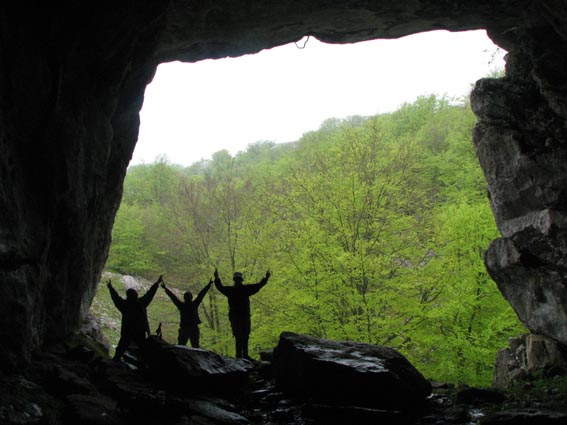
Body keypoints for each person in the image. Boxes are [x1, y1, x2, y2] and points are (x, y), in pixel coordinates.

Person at [214, 268, 271, 360]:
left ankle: (240, 355)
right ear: (241, 280)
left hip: (236, 316)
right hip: (242, 316)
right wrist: (266, 278)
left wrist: (216, 277)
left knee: (240, 335)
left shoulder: (230, 290)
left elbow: (220, 287)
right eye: (237, 280)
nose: (237, 281)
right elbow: (258, 286)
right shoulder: (245, 289)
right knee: (243, 335)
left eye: (237, 280)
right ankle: (242, 355)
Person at [107, 275, 162, 361]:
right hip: (140, 330)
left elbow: (116, 298)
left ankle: (115, 360)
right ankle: (145, 364)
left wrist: (111, 288)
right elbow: (150, 294)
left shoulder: (124, 305)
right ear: (136, 295)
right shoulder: (141, 303)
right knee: (143, 348)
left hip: (127, 330)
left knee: (122, 346)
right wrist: (157, 284)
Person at [161, 278, 213, 348]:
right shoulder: (194, 305)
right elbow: (201, 295)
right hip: (193, 328)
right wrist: (208, 285)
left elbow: (173, 297)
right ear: (191, 297)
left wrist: (165, 288)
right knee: (195, 346)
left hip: (184, 329)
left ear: (184, 298)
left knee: (181, 347)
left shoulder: (181, 306)